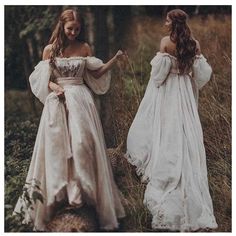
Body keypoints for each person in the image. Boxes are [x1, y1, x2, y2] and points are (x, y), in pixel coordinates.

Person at [14, 9, 125, 231]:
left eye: (77, 29)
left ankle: (83, 194)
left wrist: (115, 59)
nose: (73, 32)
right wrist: (55, 87)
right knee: (57, 147)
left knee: (83, 144)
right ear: (62, 27)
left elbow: (95, 73)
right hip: (58, 101)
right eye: (69, 29)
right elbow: (42, 79)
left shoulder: (84, 48)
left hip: (82, 101)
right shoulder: (50, 49)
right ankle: (59, 195)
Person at [125, 9, 218, 231]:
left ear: (172, 22)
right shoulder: (193, 44)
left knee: (168, 129)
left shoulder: (166, 42)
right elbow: (201, 75)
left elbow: (158, 77)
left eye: (167, 19)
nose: (164, 23)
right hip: (185, 90)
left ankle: (166, 168)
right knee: (185, 129)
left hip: (169, 92)